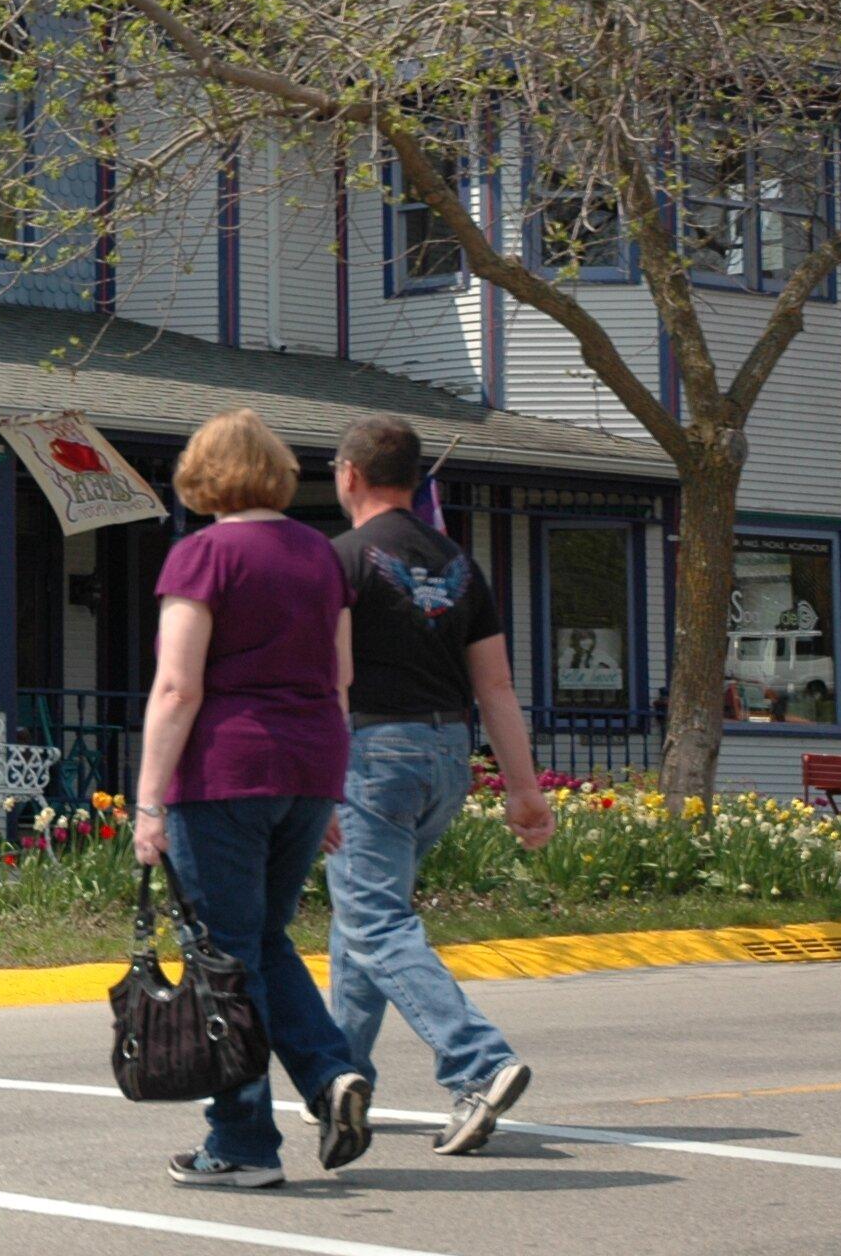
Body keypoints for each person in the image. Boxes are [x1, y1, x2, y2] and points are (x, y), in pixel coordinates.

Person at [132, 408, 372, 1189]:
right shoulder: (319, 556)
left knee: (222, 956)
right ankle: (331, 1073)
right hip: (311, 764)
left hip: (227, 768)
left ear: (204, 478)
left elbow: (177, 686)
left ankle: (241, 1141)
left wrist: (148, 802)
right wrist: (327, 794)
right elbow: (339, 679)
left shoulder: (201, 556)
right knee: (262, 937)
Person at [326, 415, 555, 1155]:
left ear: (351, 475)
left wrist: (319, 774)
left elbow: (336, 682)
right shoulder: (460, 564)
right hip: (447, 752)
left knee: (375, 921)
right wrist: (523, 789)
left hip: (373, 751)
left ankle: (477, 1062)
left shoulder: (342, 561)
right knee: (362, 916)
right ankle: (337, 1078)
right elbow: (496, 686)